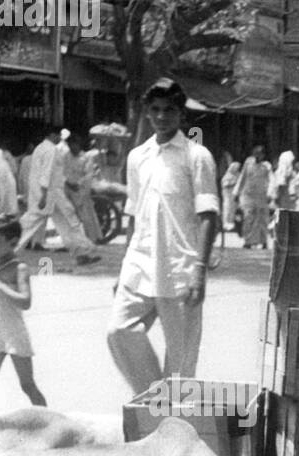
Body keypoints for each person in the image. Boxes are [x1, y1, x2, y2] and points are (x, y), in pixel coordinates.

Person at [106, 78, 219, 394]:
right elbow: (134, 213)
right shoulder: (137, 156)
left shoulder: (196, 156)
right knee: (119, 331)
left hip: (180, 268)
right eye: (154, 109)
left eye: (169, 110)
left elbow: (208, 215)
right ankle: (153, 399)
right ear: (146, 113)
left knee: (180, 364)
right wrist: (123, 267)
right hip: (140, 263)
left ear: (181, 114)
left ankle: (173, 422)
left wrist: (199, 271)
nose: (161, 116)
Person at [16, 126, 99, 264]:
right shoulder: (51, 150)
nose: (59, 139)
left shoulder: (40, 148)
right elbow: (46, 173)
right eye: (58, 136)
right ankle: (5, 249)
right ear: (52, 135)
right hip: (49, 193)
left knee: (67, 222)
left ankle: (81, 252)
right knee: (31, 224)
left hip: (50, 193)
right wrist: (43, 196)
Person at [0, 213, 46, 406]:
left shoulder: (19, 268)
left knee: (27, 385)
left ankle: (47, 421)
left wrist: (2, 287)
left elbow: (26, 302)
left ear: (13, 241)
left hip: (14, 333)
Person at [59, 131, 101, 245]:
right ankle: (70, 242)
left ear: (79, 144)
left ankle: (91, 239)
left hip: (80, 191)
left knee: (86, 217)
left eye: (75, 144)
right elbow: (60, 172)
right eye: (70, 144)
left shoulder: (86, 158)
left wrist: (78, 184)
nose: (73, 147)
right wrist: (67, 182)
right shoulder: (64, 157)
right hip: (66, 190)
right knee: (68, 217)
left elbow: (88, 174)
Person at [234, 143, 273, 248]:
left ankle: (264, 241)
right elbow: (242, 177)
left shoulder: (266, 166)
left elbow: (271, 180)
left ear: (263, 155)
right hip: (249, 196)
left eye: (259, 154)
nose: (257, 156)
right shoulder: (248, 163)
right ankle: (248, 241)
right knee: (248, 218)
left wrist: (270, 194)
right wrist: (236, 192)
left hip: (262, 196)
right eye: (255, 154)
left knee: (262, 219)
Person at [219, 151, 241, 234]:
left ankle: (231, 224)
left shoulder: (238, 174)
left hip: (234, 197)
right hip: (228, 196)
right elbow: (225, 184)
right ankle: (226, 224)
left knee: (233, 210)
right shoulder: (227, 175)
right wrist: (233, 183)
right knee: (227, 209)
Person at [0, 138, 18, 217]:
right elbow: (13, 166)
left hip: (3, 175)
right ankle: (8, 212)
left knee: (4, 193)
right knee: (6, 193)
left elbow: (12, 164)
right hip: (4, 175)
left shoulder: (4, 153)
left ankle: (6, 212)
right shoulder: (3, 153)